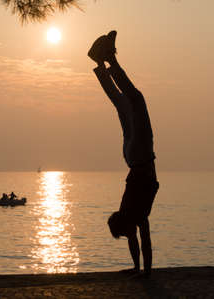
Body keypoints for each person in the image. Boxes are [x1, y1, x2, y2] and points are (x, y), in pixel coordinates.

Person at [88, 30, 159, 277]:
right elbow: (137, 239)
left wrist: (144, 271)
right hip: (130, 156)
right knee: (123, 103)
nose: (131, 235)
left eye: (127, 232)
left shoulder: (136, 214)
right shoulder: (127, 209)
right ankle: (100, 61)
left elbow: (142, 240)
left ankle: (109, 59)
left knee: (134, 100)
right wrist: (139, 270)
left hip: (140, 155)